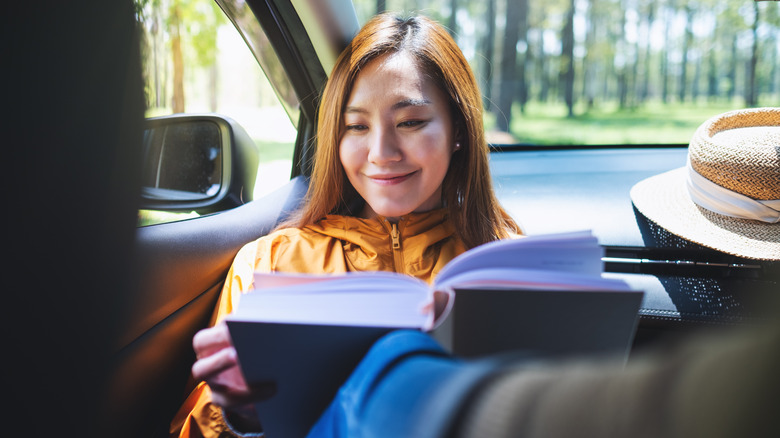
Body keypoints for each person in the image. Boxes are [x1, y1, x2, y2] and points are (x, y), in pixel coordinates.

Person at [169, 12, 521, 438]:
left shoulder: (508, 260)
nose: (381, 152)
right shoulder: (269, 263)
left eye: (410, 122)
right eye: (356, 126)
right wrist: (240, 416)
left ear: (459, 130)